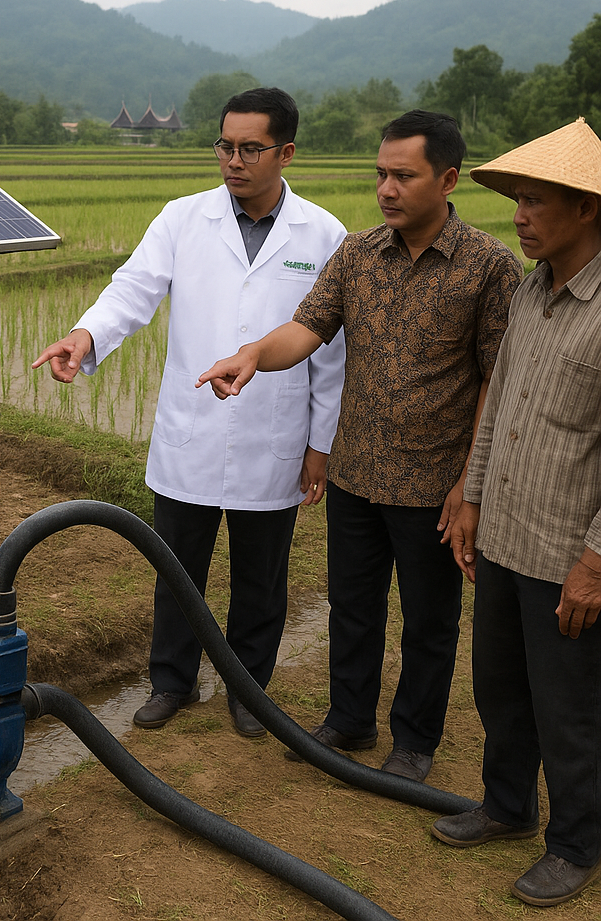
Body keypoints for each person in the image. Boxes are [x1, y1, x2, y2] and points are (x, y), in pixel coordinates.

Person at [198, 110, 523, 781]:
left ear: (448, 178)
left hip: (433, 485)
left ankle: (414, 742)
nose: (387, 189)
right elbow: (307, 328)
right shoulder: (357, 253)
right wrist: (255, 353)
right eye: (381, 174)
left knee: (429, 623)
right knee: (352, 605)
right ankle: (348, 720)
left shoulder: (489, 266)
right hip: (354, 475)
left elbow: (498, 380)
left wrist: (472, 484)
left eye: (404, 176)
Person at [32, 88, 346, 737]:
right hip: (192, 433)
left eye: (251, 148)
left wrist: (321, 444)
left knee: (261, 581)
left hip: (275, 435)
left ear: (285, 152)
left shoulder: (322, 234)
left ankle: (247, 692)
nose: (234, 160)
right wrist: (85, 336)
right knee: (177, 572)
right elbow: (134, 289)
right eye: (225, 146)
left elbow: (330, 351)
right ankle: (171, 682)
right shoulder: (182, 219)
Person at [432, 118, 601, 907]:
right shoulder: (532, 289)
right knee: (500, 687)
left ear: (587, 209)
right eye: (518, 200)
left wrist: (595, 562)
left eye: (535, 202)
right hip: (505, 534)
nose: (519, 216)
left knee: (570, 712)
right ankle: (506, 806)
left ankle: (575, 844)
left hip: (569, 551)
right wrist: (471, 496)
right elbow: (497, 399)